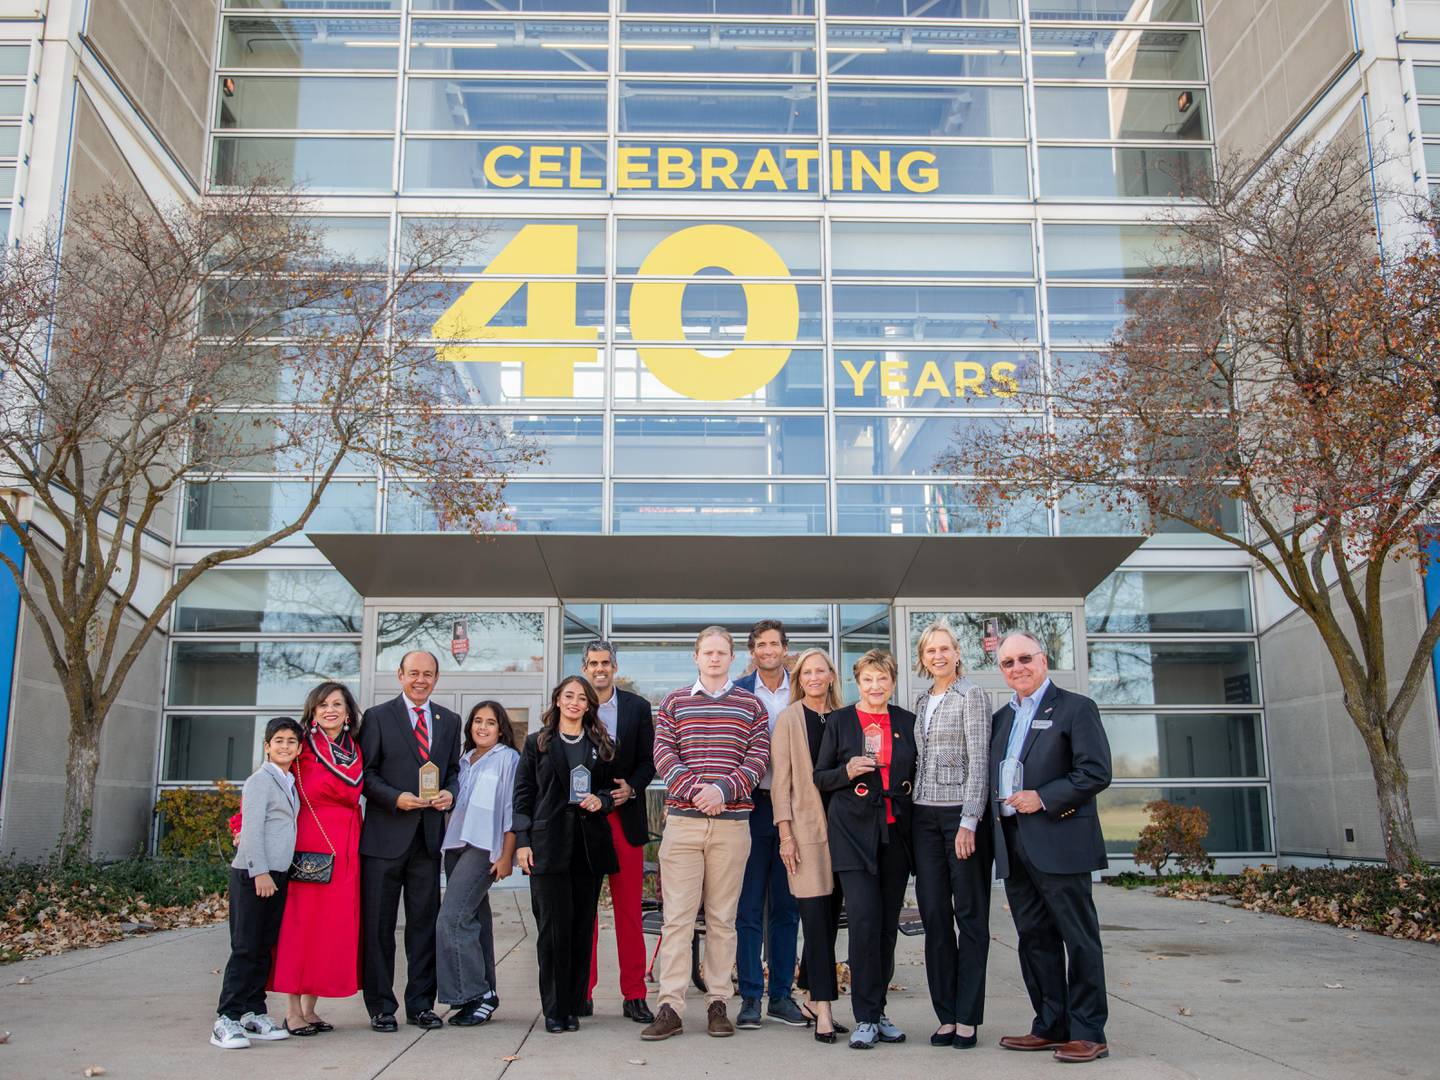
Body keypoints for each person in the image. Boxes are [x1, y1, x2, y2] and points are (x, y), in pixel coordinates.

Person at [641, 626, 769, 1042]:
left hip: (732, 827)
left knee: (722, 919)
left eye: (721, 652)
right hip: (683, 823)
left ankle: (718, 1002)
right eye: (707, 652)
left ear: (732, 658)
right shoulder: (674, 702)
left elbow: (758, 757)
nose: (714, 659)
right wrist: (698, 791)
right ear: (695, 657)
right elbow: (663, 754)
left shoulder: (751, 705)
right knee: (677, 919)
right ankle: (670, 1006)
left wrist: (723, 790)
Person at [990, 631, 1113, 1065]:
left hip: (1060, 840)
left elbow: (1095, 772)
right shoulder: (1002, 718)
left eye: (1025, 658)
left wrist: (1042, 796)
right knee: (1034, 939)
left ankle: (1088, 1031)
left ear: (1044, 660)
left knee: (1078, 938)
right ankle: (1049, 1024)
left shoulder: (1077, 709)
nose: (1017, 667)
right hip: (1015, 844)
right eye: (1008, 663)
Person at [813, 649, 916, 1051]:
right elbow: (820, 778)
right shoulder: (839, 721)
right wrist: (847, 772)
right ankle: (865, 1017)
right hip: (852, 835)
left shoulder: (906, 722)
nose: (875, 687)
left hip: (895, 834)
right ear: (858, 682)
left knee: (887, 927)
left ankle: (880, 1010)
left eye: (883, 679)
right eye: (868, 680)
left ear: (892, 681)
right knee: (864, 921)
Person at [358, 650, 461, 1033]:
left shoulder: (448, 721)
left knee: (423, 926)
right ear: (399, 675)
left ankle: (421, 1005)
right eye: (414, 673)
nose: (421, 680)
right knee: (379, 927)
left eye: (428, 674)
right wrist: (393, 797)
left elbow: (453, 771)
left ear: (437, 678)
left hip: (427, 840)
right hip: (384, 839)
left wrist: (451, 792)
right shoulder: (378, 718)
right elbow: (364, 774)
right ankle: (381, 1006)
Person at [513, 675, 618, 1034]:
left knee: (580, 929)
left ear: (589, 705)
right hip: (548, 846)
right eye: (568, 696)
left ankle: (574, 1004)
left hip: (588, 847)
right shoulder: (536, 744)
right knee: (552, 931)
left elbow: (609, 791)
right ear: (558, 700)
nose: (574, 702)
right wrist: (523, 841)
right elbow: (523, 796)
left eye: (581, 698)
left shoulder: (601, 744)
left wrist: (600, 800)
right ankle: (554, 1009)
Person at [910, 622, 993, 1050]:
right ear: (922, 658)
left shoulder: (972, 696)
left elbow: (980, 761)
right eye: (930, 650)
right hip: (923, 818)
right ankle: (945, 1014)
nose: (938, 656)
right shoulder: (922, 700)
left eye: (944, 648)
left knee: (971, 918)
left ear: (957, 653)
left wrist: (969, 820)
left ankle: (968, 1017)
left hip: (959, 819)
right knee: (935, 918)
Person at [271, 683, 365, 1036]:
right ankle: (292, 1010)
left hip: (348, 842)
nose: (330, 710)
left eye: (337, 704)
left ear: (348, 712)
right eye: (323, 704)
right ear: (312, 710)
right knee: (302, 925)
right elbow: (272, 786)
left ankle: (311, 1008)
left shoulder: (353, 749)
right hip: (310, 839)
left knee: (331, 926)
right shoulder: (301, 747)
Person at [212, 716, 303, 1050]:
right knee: (246, 947)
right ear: (267, 746)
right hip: (254, 876)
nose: (284, 746)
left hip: (277, 876)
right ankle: (227, 1018)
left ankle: (253, 1010)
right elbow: (249, 829)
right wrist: (260, 871)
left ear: (298, 748)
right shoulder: (259, 781)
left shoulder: (289, 780)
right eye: (278, 740)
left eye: (291, 741)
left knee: (264, 947)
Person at [770, 647, 847, 1044]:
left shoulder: (846, 717)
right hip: (806, 832)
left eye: (821, 671)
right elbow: (779, 783)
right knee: (815, 920)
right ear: (799, 680)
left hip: (846, 834)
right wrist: (786, 835)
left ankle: (810, 993)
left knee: (830, 922)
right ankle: (825, 1009)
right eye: (806, 673)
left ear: (831, 676)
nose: (814, 678)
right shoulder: (788, 720)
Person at [733, 619, 806, 1029]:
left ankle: (781, 996)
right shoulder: (739, 691)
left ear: (784, 647)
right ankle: (749, 997)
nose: (767, 650)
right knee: (747, 907)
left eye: (774, 643)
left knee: (786, 907)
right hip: (752, 806)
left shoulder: (803, 685)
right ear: (753, 651)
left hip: (795, 809)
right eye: (760, 645)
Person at [579, 640, 657, 1024]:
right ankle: (583, 990)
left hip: (625, 818)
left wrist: (634, 788)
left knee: (629, 913)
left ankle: (634, 994)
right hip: (585, 820)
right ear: (584, 667)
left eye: (605, 663)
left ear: (615, 666)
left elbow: (649, 761)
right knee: (584, 912)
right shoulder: (571, 705)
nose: (599, 669)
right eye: (593, 663)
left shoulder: (638, 708)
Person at [437, 701, 520, 1027]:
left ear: (501, 728)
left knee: (451, 920)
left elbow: (513, 808)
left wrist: (506, 855)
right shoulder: (464, 761)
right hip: (455, 845)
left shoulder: (508, 759)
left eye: (490, 722)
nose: (482, 727)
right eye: (477, 721)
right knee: (474, 921)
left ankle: (475, 993)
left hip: (483, 849)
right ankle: (484, 994)